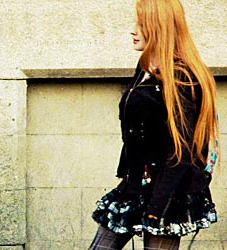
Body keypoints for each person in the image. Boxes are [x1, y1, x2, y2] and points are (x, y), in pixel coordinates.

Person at [89, 0, 219, 249]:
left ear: (160, 27)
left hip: (167, 193)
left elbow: (182, 151)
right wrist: (128, 178)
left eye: (142, 24)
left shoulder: (182, 77)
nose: (133, 30)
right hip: (135, 184)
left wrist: (156, 209)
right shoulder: (146, 67)